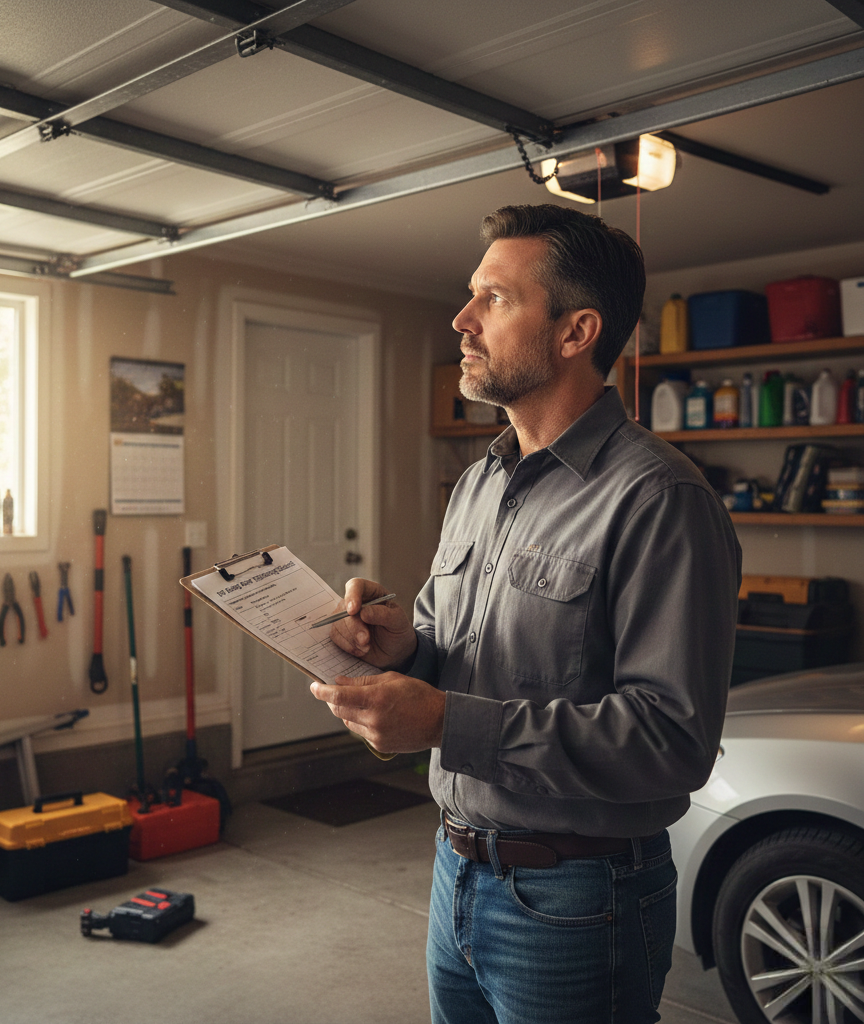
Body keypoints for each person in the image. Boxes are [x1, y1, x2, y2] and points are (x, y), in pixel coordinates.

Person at [310, 204, 742, 1024]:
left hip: (582, 898)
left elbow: (673, 739)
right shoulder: (479, 483)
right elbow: (458, 652)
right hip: (455, 868)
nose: (461, 321)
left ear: (577, 331)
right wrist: (406, 649)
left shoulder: (660, 499)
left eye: (495, 300)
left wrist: (442, 720)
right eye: (471, 296)